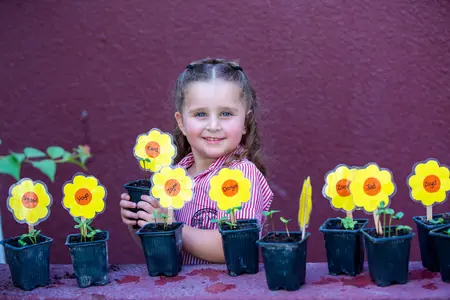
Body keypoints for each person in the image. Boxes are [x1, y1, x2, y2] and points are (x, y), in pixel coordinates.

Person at [120, 58, 273, 264]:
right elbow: (159, 248)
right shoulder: (172, 175)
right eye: (200, 114)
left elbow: (235, 246)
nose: (213, 125)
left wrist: (170, 224)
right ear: (181, 122)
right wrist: (142, 221)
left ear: (245, 122)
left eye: (226, 113)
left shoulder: (241, 175)